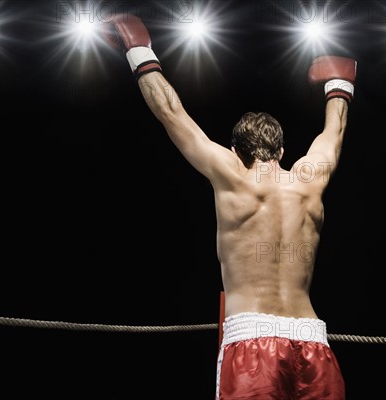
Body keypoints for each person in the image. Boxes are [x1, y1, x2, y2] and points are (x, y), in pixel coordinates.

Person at [103, 13, 354, 400]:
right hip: (312, 339)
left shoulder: (232, 175)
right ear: (283, 151)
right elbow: (333, 132)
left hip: (252, 339)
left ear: (235, 151)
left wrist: (139, 51)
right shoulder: (309, 180)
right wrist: (339, 83)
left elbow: (171, 113)